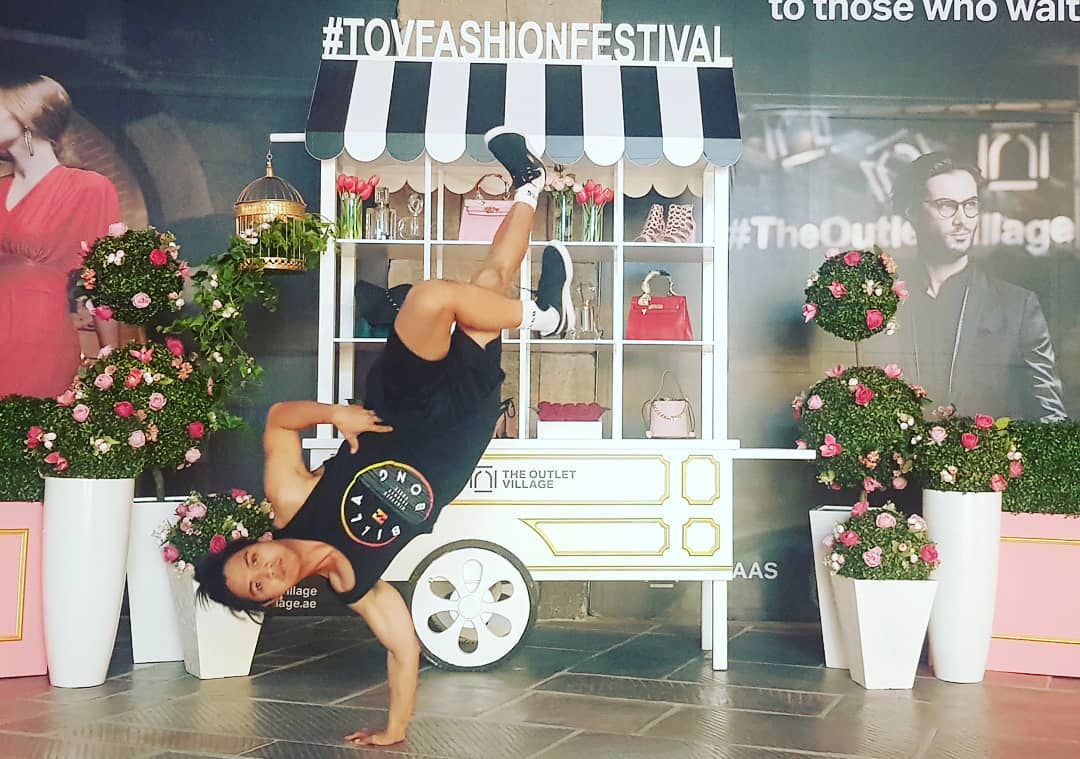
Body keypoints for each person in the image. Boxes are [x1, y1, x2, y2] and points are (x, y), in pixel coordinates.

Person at [193, 128, 574, 747]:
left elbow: (279, 420)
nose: (267, 569)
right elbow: (404, 650)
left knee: (431, 298)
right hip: (454, 435)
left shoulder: (291, 504)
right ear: (275, 598)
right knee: (488, 284)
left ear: (257, 544)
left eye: (253, 560)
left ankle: (545, 318)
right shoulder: (361, 586)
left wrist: (335, 417)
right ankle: (529, 190)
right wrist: (394, 731)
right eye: (260, 585)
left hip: (394, 410)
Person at [870, 152, 1066, 421]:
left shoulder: (1017, 307)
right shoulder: (880, 304)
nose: (962, 219)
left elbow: (1051, 420)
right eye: (946, 206)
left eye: (970, 205)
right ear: (912, 212)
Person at [0, 74, 121, 398]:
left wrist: (112, 359)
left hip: (37, 338)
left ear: (28, 115)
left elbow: (103, 283)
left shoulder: (89, 189)